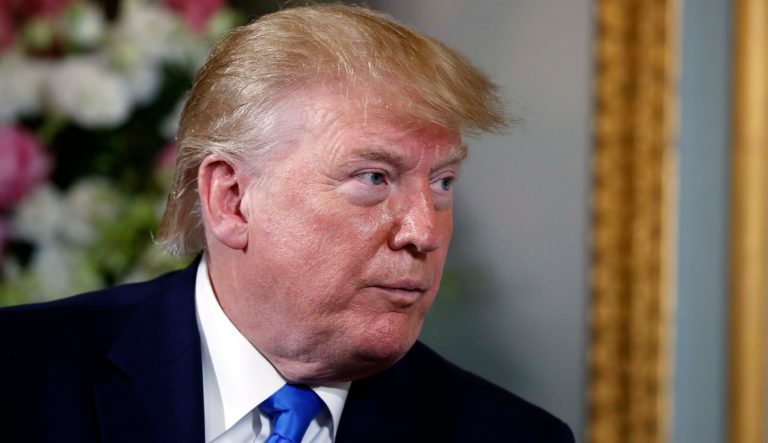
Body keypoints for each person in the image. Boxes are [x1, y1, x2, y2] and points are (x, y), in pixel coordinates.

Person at [0, 4, 575, 442]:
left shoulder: (510, 435)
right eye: (373, 178)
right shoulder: (21, 375)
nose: (423, 232)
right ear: (231, 199)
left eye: (443, 182)